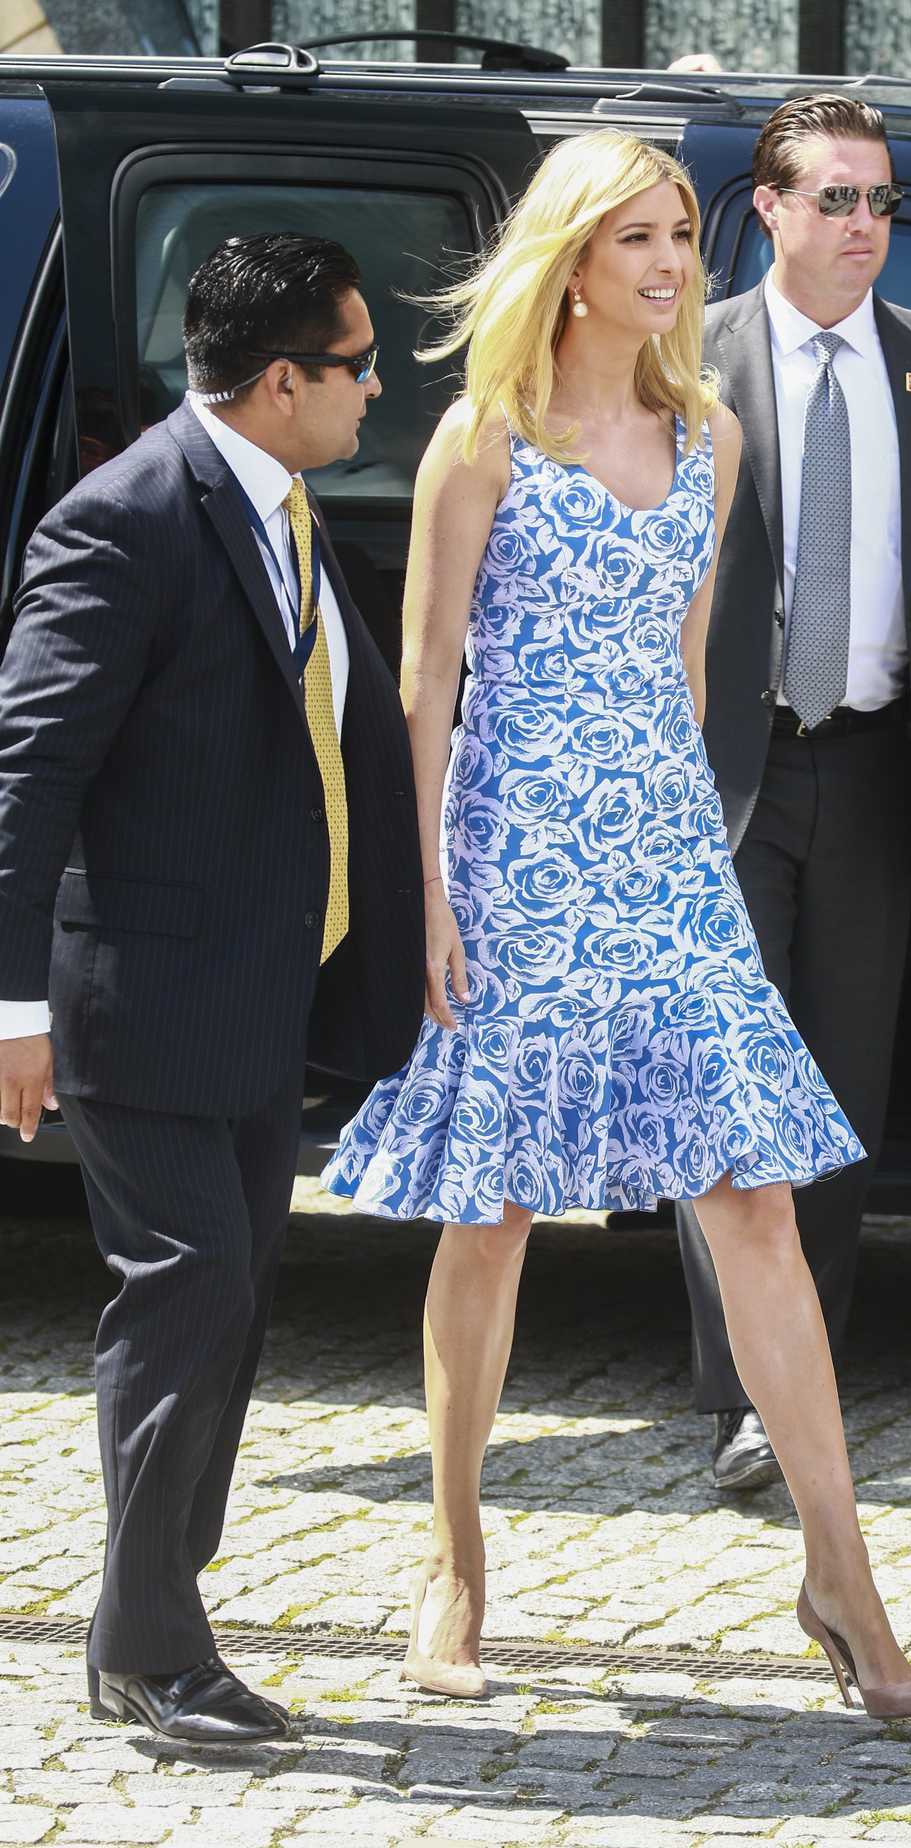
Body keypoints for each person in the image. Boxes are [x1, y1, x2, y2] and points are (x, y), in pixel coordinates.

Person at [323, 129, 911, 1721]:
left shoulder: (712, 432)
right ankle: (454, 1559)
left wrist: (692, 860)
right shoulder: (482, 437)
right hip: (513, 862)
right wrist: (429, 899)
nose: (671, 266)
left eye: (679, 235)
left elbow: (680, 673)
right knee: (495, 1214)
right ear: (571, 261)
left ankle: (840, 1571)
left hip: (668, 862)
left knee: (755, 1207)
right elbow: (424, 679)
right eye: (636, 241)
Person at [0, 234, 425, 1743]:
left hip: (253, 996)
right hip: (138, 1002)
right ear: (282, 379)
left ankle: (150, 1616)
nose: (381, 387)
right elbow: (26, 780)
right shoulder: (120, 525)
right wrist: (12, 1012)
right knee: (190, 1291)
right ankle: (150, 1644)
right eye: (361, 363)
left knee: (226, 1307)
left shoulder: (291, 512)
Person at [676, 95, 911, 1493]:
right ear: (766, 209)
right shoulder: (685, 357)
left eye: (880, 203)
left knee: (836, 1095)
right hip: (725, 773)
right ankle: (741, 1403)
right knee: (727, 1093)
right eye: (834, 199)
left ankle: (801, 1370)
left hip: (877, 769)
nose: (861, 228)